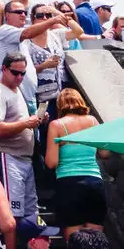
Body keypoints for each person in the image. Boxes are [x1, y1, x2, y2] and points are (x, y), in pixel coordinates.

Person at [0, 53, 43, 245]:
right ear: (3, 69)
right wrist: (26, 123)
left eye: (23, 73)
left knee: (30, 214)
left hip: (24, 158)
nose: (19, 77)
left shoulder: (16, 90)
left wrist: (33, 122)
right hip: (8, 157)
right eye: (15, 73)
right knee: (12, 216)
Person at [45, 88, 107, 239]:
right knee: (95, 241)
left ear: (60, 105)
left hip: (69, 185)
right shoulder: (92, 121)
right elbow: (105, 153)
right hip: (94, 183)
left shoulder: (57, 125)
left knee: (74, 243)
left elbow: (52, 162)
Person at [0, 1, 69, 108]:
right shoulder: (5, 30)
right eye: (18, 12)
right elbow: (27, 32)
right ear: (7, 15)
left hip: (27, 98)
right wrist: (53, 20)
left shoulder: (20, 36)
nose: (23, 15)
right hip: (13, 96)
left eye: (24, 12)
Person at [26, 4, 82, 119]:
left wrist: (57, 13)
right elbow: (25, 71)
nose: (45, 18)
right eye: (40, 15)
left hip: (60, 94)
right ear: (33, 19)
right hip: (39, 97)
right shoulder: (27, 41)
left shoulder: (56, 35)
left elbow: (78, 31)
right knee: (44, 127)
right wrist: (43, 66)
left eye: (48, 15)